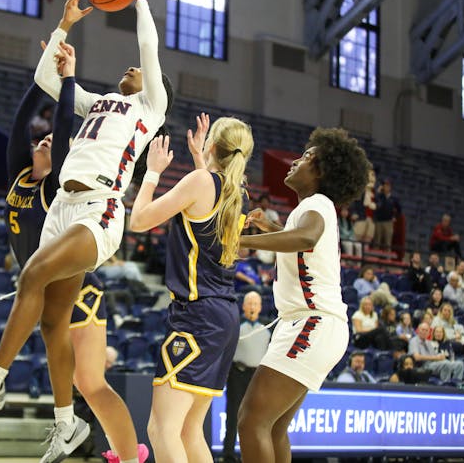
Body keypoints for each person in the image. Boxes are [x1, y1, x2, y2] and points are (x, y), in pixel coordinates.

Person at [0, 0, 169, 462]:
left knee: (33, 273)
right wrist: (65, 25)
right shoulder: (98, 104)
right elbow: (48, 80)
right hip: (62, 207)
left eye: (139, 69)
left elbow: (148, 45)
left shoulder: (149, 107)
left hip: (99, 207)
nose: (132, 67)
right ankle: (67, 424)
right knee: (52, 324)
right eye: (129, 67)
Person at [235, 128, 371, 463]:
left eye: (307, 157)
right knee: (274, 428)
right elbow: (303, 240)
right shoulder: (313, 208)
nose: (296, 160)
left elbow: (306, 238)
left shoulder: (318, 204)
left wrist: (244, 242)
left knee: (251, 421)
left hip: (311, 323)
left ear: (323, 171)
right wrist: (270, 228)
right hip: (316, 325)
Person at [128, 114, 253, 463]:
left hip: (196, 316)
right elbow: (206, 206)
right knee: (188, 430)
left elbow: (138, 221)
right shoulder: (237, 192)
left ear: (213, 145)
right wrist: (202, 158)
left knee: (161, 429)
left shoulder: (201, 182)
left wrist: (153, 171)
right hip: (223, 317)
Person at [222, 292, 270, 463]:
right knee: (233, 415)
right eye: (249, 303)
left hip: (257, 377)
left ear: (260, 307)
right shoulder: (236, 326)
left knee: (257, 417)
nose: (252, 306)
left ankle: (251, 455)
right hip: (237, 374)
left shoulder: (266, 328)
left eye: (255, 303)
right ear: (243, 306)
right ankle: (228, 455)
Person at [373, 179, 401, 252]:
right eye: (385, 186)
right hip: (378, 221)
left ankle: (387, 261)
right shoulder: (380, 196)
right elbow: (374, 200)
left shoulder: (394, 199)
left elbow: (399, 210)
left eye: (388, 186)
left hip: (388, 222)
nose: (386, 187)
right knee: (377, 241)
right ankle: (373, 260)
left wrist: (395, 217)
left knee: (387, 242)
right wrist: (378, 192)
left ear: (390, 187)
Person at [350, 168, 375, 247]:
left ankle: (364, 256)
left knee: (367, 239)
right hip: (361, 217)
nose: (371, 178)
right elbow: (354, 202)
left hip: (371, 219)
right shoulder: (359, 190)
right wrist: (353, 212)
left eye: (373, 175)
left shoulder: (375, 193)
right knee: (357, 237)